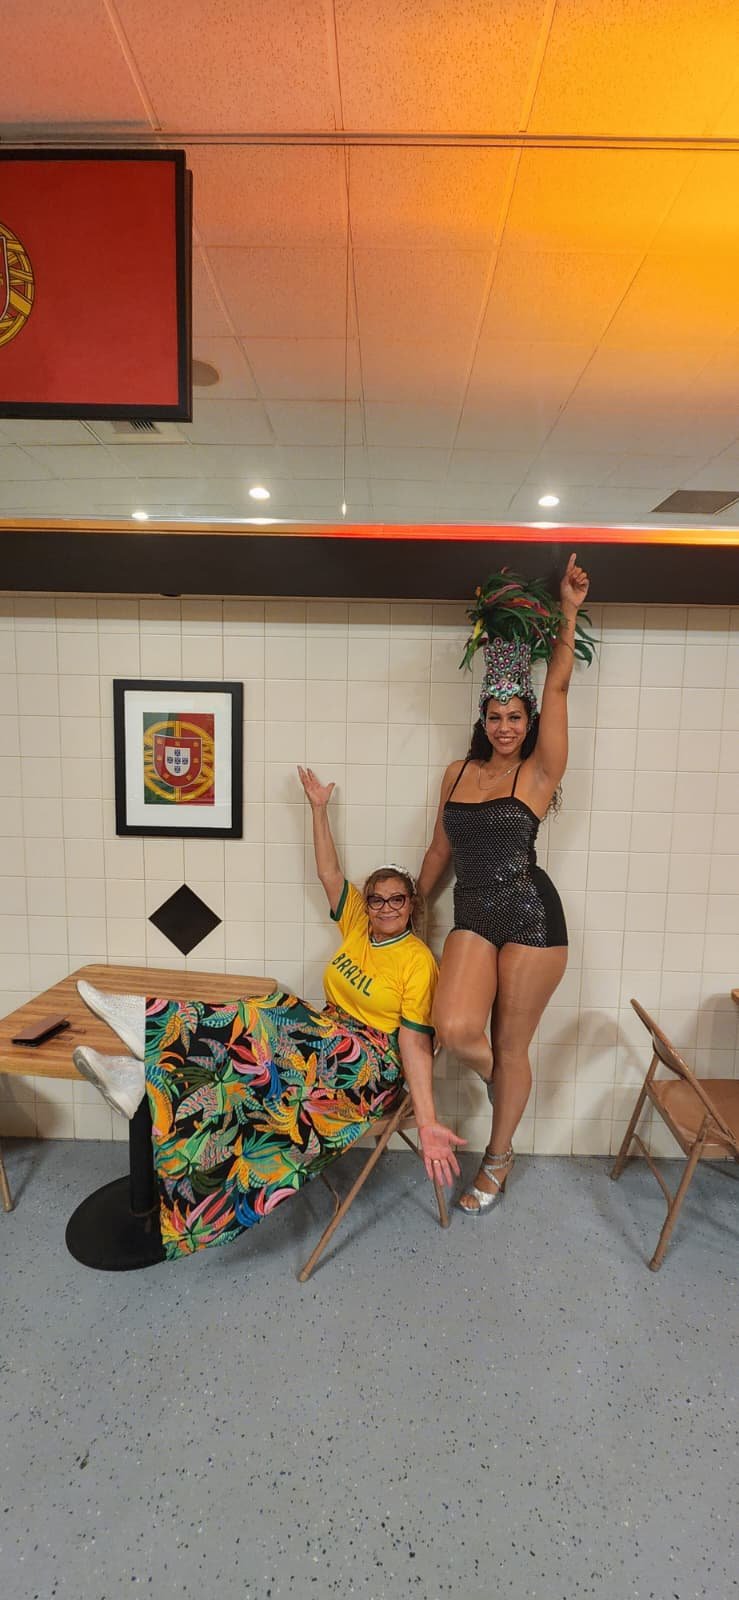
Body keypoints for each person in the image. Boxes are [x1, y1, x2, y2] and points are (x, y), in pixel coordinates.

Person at [72, 767, 463, 1259]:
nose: (385, 907)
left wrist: (427, 1120)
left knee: (260, 1023)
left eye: (396, 900)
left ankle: (145, 1035)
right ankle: (144, 1069)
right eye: (377, 898)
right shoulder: (358, 926)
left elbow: (413, 1043)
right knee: (262, 1016)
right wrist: (318, 810)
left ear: (411, 906)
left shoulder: (417, 962)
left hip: (368, 1064)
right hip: (326, 1031)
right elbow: (328, 873)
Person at [417, 554, 592, 1217]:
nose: (505, 726)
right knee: (459, 1031)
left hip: (530, 916)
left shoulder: (539, 774)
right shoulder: (457, 773)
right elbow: (439, 847)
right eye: (495, 716)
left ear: (528, 721)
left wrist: (568, 613)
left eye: (515, 716)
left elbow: (560, 692)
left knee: (512, 1043)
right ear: (483, 718)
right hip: (470, 913)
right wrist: (408, 906)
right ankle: (509, 1088)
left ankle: (498, 1155)